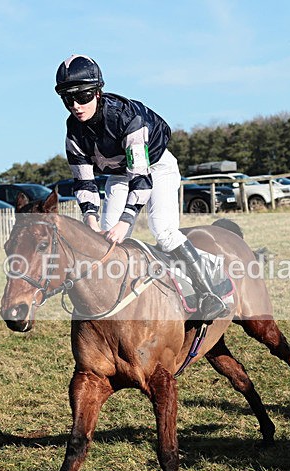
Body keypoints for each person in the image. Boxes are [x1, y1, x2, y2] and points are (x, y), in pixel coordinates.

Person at [54, 54, 228, 321]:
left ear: (98, 92)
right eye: (68, 100)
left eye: (84, 97)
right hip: (120, 174)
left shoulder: (127, 118)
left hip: (155, 167)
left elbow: (141, 178)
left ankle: (209, 291)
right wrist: (89, 217)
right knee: (103, 240)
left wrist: (126, 220)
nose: (76, 106)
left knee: (163, 231)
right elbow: (84, 181)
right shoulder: (73, 131)